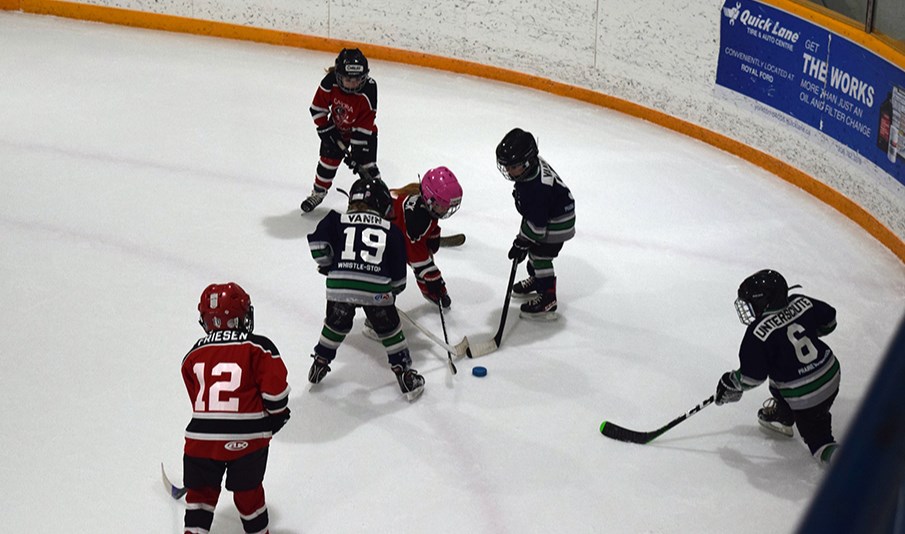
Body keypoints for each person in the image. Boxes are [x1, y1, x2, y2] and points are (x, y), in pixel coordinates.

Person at [182, 282, 291, 534]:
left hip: (200, 440)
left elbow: (198, 399)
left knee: (200, 498)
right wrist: (277, 416)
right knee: (248, 494)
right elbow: (276, 398)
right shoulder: (259, 346)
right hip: (247, 439)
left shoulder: (192, 354)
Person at [306, 176, 425, 400]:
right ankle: (405, 375)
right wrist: (390, 293)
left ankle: (320, 362)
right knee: (391, 331)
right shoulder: (391, 230)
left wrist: (329, 265)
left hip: (339, 288)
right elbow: (399, 279)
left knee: (334, 326)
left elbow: (318, 247)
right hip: (376, 291)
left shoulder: (335, 220)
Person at [714, 269, 841, 465]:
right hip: (831, 372)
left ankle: (850, 463)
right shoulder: (801, 301)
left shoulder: (757, 333)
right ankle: (785, 415)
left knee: (820, 442)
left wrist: (732, 382)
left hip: (807, 396)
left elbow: (751, 377)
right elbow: (829, 321)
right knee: (779, 370)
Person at [495, 127, 575, 320]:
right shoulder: (532, 169)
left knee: (539, 255)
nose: (508, 171)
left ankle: (547, 298)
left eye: (513, 167)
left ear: (528, 161)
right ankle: (537, 280)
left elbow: (537, 229)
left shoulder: (537, 190)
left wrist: (521, 242)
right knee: (534, 251)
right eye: (507, 166)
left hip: (558, 222)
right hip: (552, 214)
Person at [302, 48, 380, 213]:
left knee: (368, 167)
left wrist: (357, 153)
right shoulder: (330, 82)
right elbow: (317, 108)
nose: (353, 84)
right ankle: (318, 193)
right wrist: (326, 130)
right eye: (348, 79)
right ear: (339, 76)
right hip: (336, 130)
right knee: (327, 163)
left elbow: (366, 120)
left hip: (365, 133)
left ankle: (379, 199)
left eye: (357, 79)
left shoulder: (370, 89)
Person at [390, 166, 463, 308]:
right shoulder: (417, 223)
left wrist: (432, 237)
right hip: (380, 236)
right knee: (394, 277)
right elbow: (417, 259)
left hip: (396, 227)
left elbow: (431, 223)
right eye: (443, 205)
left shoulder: (424, 206)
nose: (447, 209)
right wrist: (435, 282)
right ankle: (379, 307)